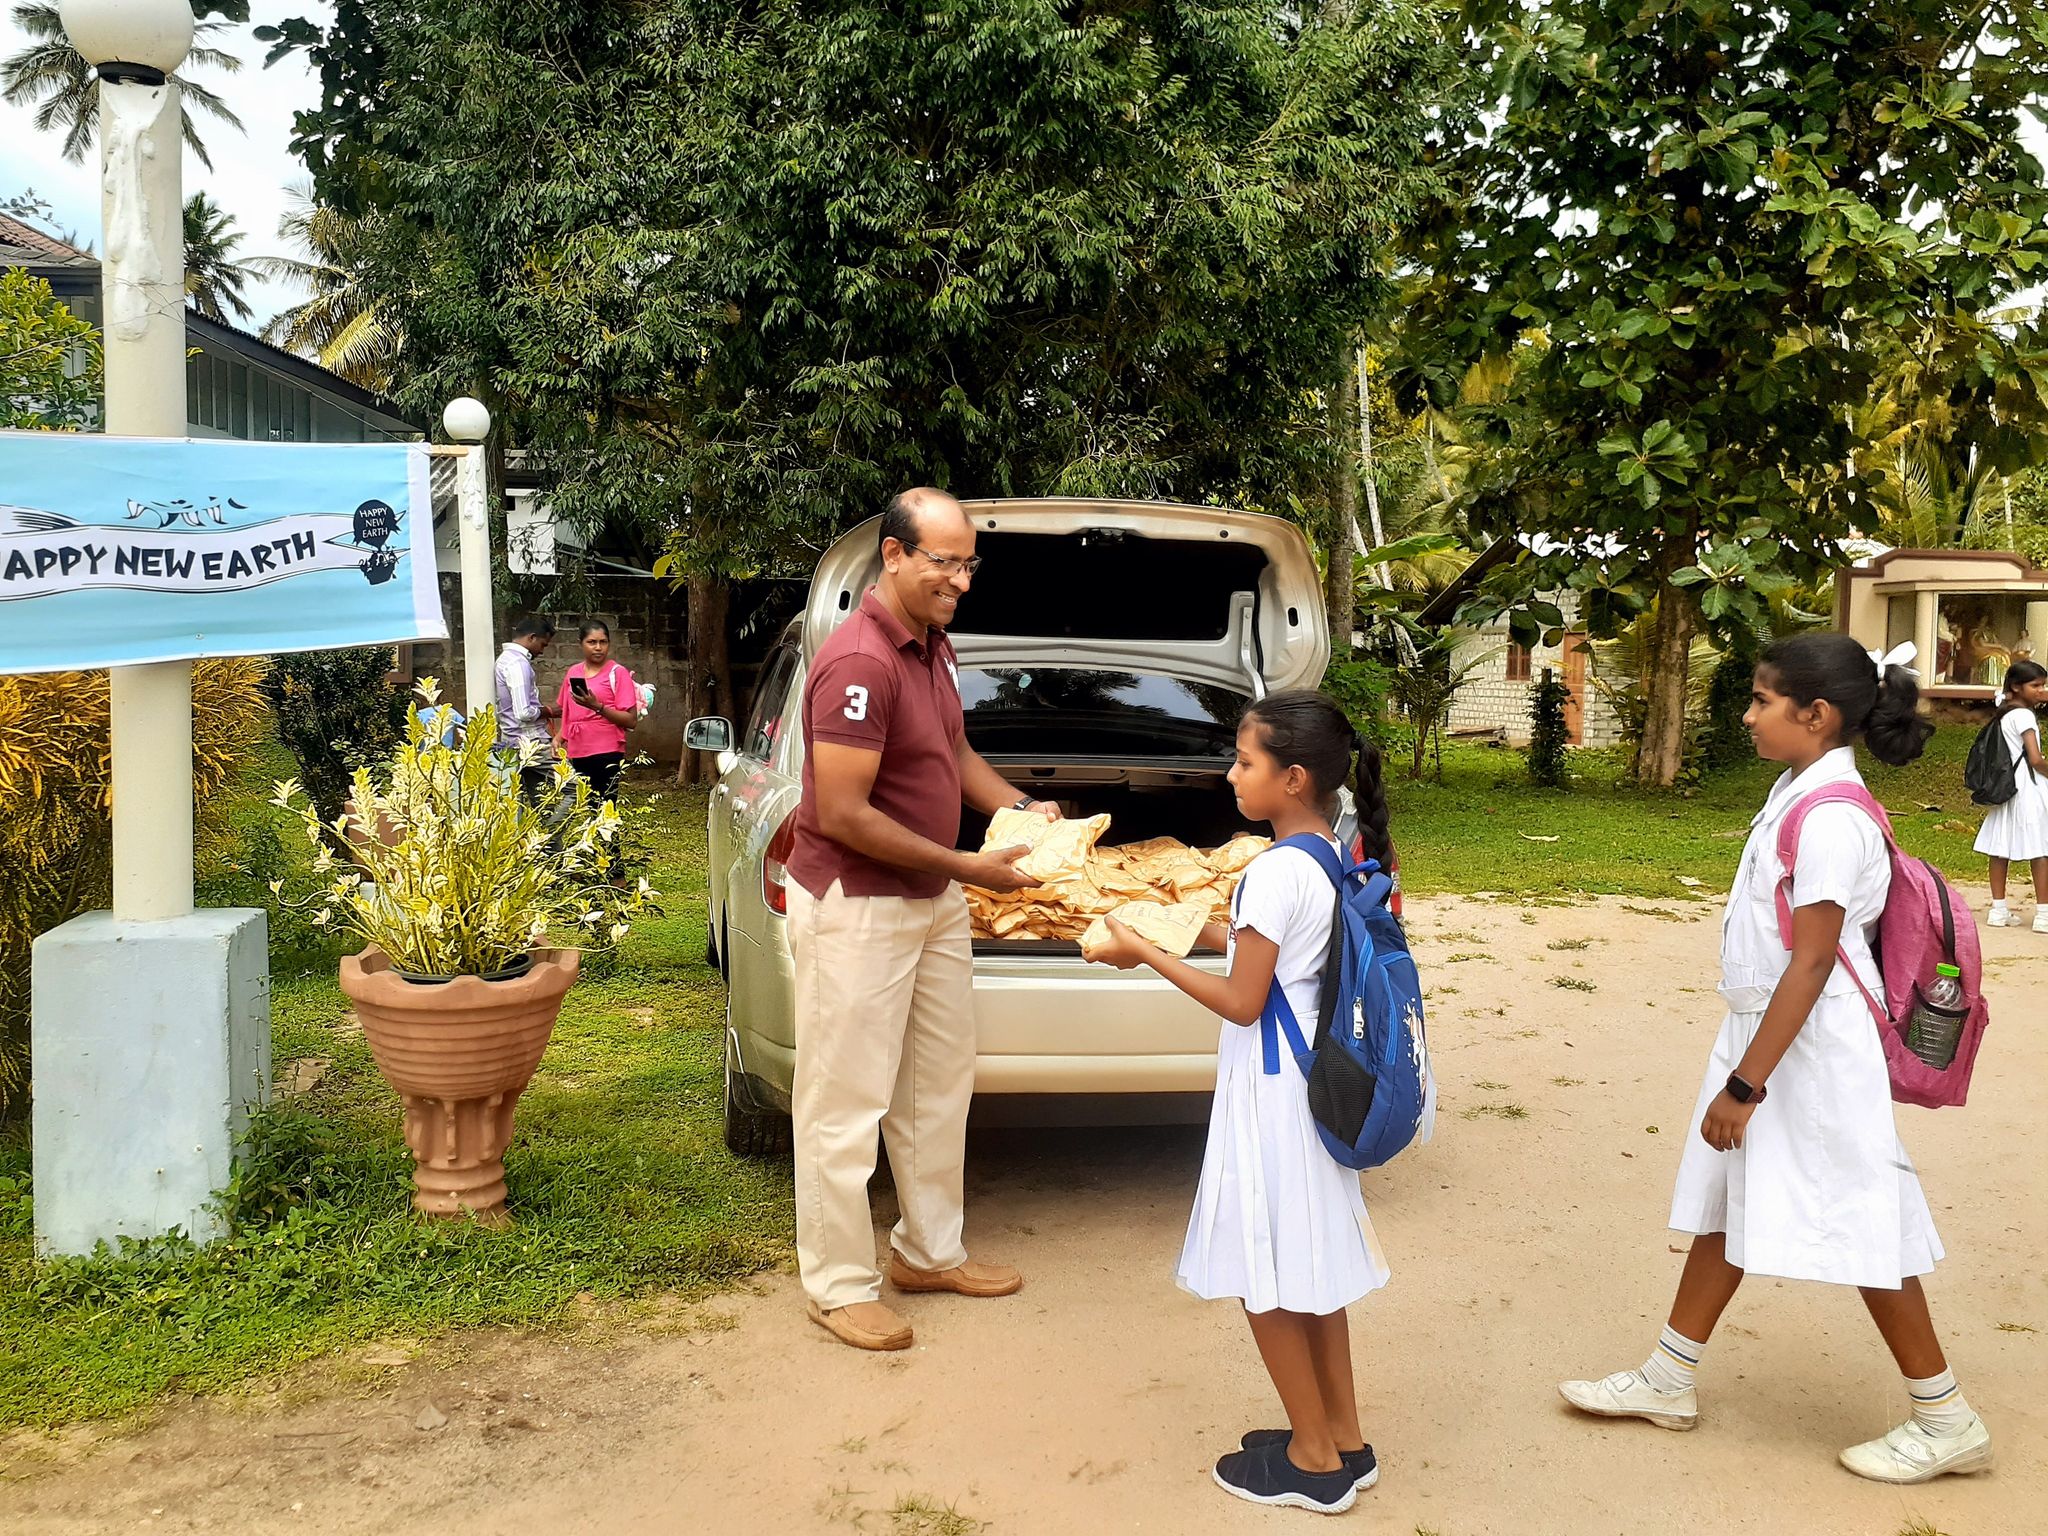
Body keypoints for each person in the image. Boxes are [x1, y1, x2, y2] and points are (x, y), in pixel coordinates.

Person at [1559, 632, 1993, 1485]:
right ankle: (1669, 1375)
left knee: (1867, 1222)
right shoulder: (1802, 789)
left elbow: (1814, 959)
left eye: (1761, 701)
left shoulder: (1830, 817)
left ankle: (1946, 1417)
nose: (1750, 714)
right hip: (1777, 1035)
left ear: (1817, 714)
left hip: (1811, 1053)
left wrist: (1745, 1082)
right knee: (1729, 1201)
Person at [1085, 691, 1396, 1516]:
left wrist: (1143, 951)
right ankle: (1346, 1438)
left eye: (1245, 761)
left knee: (1267, 1272)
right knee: (1313, 1271)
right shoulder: (1326, 853)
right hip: (1313, 1092)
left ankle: (1312, 1460)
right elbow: (1271, 948)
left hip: (1271, 1100)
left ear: (1292, 778)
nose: (1230, 774)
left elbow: (1243, 1001)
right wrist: (1177, 926)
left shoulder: (1268, 871)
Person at [785, 487, 1060, 1353]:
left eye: (967, 563)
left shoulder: (932, 647)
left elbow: (953, 753)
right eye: (943, 561)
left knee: (938, 1083)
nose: (960, 581)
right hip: (857, 904)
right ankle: (836, 1285)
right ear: (894, 556)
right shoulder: (859, 662)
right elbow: (842, 813)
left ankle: (928, 1252)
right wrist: (968, 867)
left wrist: (1022, 809)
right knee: (845, 1101)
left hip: (928, 897)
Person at [553, 620, 641, 878]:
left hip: (606, 750)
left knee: (606, 811)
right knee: (583, 811)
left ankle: (616, 874)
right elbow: (567, 711)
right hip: (577, 751)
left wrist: (598, 706)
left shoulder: (618, 673)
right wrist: (559, 736)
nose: (598, 647)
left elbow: (631, 720)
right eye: (592, 642)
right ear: (581, 644)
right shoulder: (573, 673)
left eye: (603, 642)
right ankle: (587, 868)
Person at [1973, 659, 2048, 931]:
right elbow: (2036, 759)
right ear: (2017, 687)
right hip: (2028, 788)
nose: (2042, 690)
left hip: (2006, 788)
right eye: (2036, 685)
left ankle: (1998, 909)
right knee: (2040, 849)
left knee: (2000, 849)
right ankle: (2043, 914)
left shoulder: (2006, 713)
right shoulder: (2025, 716)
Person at [495, 615, 560, 802]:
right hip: (531, 743)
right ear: (531, 638)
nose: (542, 651)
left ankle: (542, 830)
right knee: (573, 787)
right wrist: (550, 711)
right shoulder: (517, 664)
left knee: (535, 799)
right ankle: (553, 831)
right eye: (543, 644)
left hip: (513, 741)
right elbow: (523, 712)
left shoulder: (506, 660)